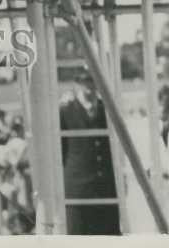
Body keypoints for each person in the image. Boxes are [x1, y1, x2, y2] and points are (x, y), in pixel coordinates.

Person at [60, 66, 119, 234]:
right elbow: (60, 150)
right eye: (83, 80)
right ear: (76, 83)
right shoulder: (64, 111)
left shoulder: (107, 109)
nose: (89, 85)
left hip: (106, 188)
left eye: (92, 80)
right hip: (78, 191)